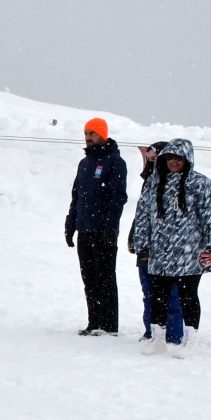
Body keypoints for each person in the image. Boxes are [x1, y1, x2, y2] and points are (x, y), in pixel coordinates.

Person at [129, 138, 211, 355]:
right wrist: (141, 245)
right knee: (157, 297)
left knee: (188, 296)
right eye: (170, 158)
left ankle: (191, 341)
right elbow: (142, 216)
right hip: (159, 253)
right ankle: (158, 339)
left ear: (187, 160)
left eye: (178, 159)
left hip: (189, 254)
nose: (173, 162)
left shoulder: (201, 184)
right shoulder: (154, 183)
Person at [64, 117, 129, 336]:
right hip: (85, 228)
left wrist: (110, 226)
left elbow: (118, 197)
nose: (89, 137)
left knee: (105, 278)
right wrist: (71, 223)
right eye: (86, 133)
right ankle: (94, 322)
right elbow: (77, 196)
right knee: (89, 278)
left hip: (103, 231)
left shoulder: (114, 161)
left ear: (103, 134)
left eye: (93, 133)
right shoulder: (84, 163)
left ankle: (109, 326)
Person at [130, 141, 185, 345]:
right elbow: (142, 216)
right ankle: (151, 333)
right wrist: (134, 239)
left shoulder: (175, 184)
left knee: (171, 296)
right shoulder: (150, 183)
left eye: (154, 159)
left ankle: (172, 335)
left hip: (170, 251)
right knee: (149, 294)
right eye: (148, 159)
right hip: (146, 250)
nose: (150, 163)